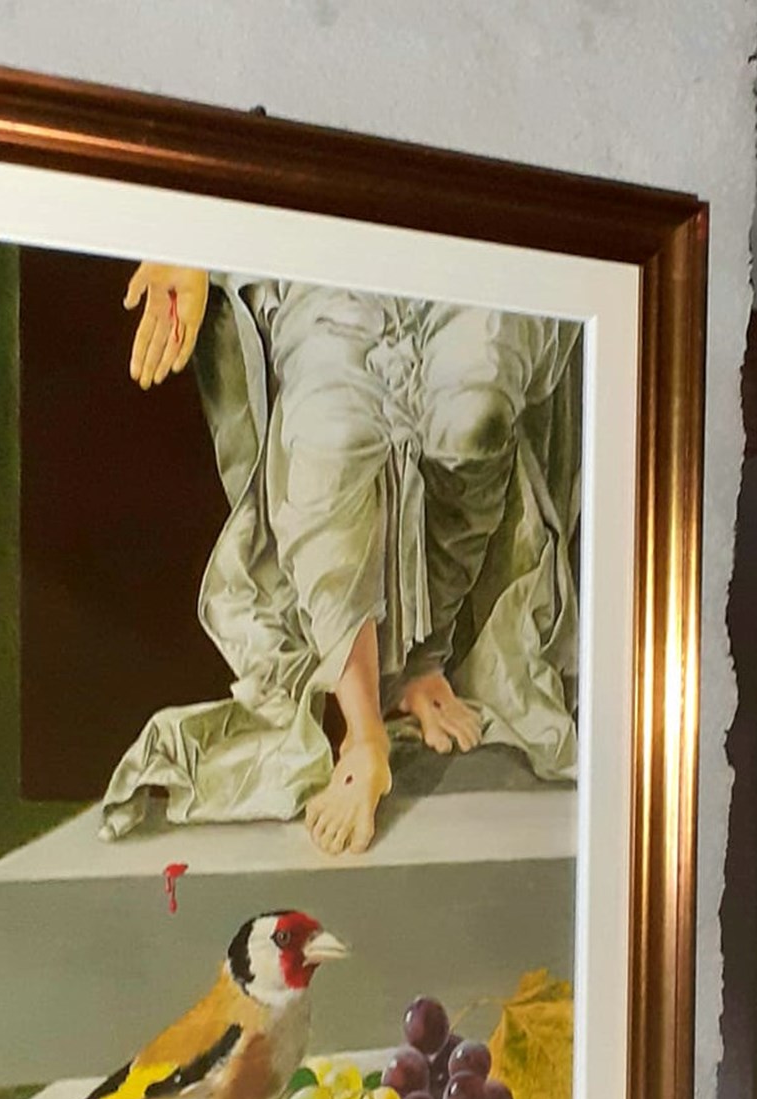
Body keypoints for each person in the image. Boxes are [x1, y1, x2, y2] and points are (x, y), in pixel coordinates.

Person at [97, 262, 582, 855]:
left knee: (474, 416)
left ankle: (421, 663)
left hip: (466, 245)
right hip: (320, 256)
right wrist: (193, 244)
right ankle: (364, 731)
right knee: (330, 440)